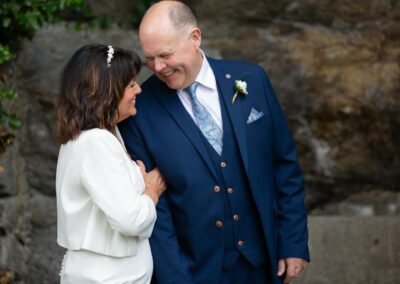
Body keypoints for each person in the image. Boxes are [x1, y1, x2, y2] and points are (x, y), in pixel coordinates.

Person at [119, 1, 309, 283]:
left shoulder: (251, 80)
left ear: (195, 38)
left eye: (165, 55)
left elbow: (283, 166)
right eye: (150, 58)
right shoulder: (141, 109)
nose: (158, 67)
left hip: (262, 263)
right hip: (197, 270)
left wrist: (293, 243)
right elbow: (158, 212)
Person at [54, 44, 167, 284]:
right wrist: (151, 192)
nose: (138, 90)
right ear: (107, 91)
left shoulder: (107, 133)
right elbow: (130, 220)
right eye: (130, 84)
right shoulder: (96, 143)